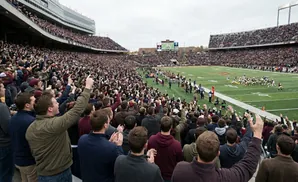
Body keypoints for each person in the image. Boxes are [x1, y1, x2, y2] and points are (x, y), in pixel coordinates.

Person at [25, 76, 93, 182]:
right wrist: (87, 87)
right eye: (55, 102)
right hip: (57, 174)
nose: (58, 103)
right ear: (50, 109)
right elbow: (77, 110)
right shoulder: (54, 125)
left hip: (44, 172)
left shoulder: (30, 128)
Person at [171, 114, 264, 182]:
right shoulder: (225, 177)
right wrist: (257, 134)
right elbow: (248, 166)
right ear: (218, 153)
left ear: (197, 149)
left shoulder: (180, 169)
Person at [78, 109, 123, 182]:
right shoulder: (111, 148)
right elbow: (120, 164)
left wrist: (109, 142)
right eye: (108, 122)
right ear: (105, 125)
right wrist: (119, 145)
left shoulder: (82, 140)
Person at [9, 92, 38, 182]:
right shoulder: (31, 122)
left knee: (24, 179)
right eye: (34, 101)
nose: (36, 103)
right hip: (29, 161)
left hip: (18, 158)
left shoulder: (13, 118)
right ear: (27, 105)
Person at [148, 116, 183, 182]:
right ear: (171, 127)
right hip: (158, 174)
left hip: (161, 175)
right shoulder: (176, 145)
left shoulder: (152, 139)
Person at [0, 81, 14, 182]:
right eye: (2, 88)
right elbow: (8, 127)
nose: (4, 89)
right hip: (4, 145)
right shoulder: (1, 107)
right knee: (6, 172)